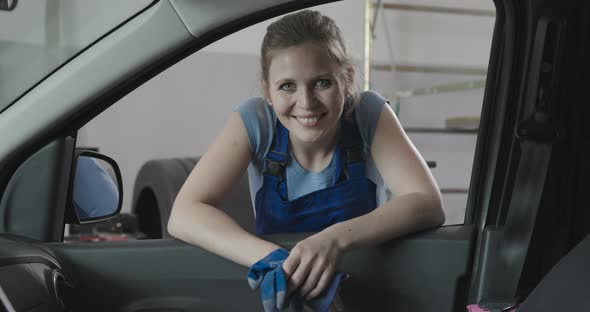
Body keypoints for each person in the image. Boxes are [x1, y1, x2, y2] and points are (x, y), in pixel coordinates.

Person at [168, 9, 445, 311]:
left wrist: (332, 241)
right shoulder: (257, 120)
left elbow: (426, 202)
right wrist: (279, 262)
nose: (306, 103)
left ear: (347, 78)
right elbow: (184, 215)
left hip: (367, 295)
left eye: (322, 82)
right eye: (288, 86)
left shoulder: (368, 114)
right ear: (267, 91)